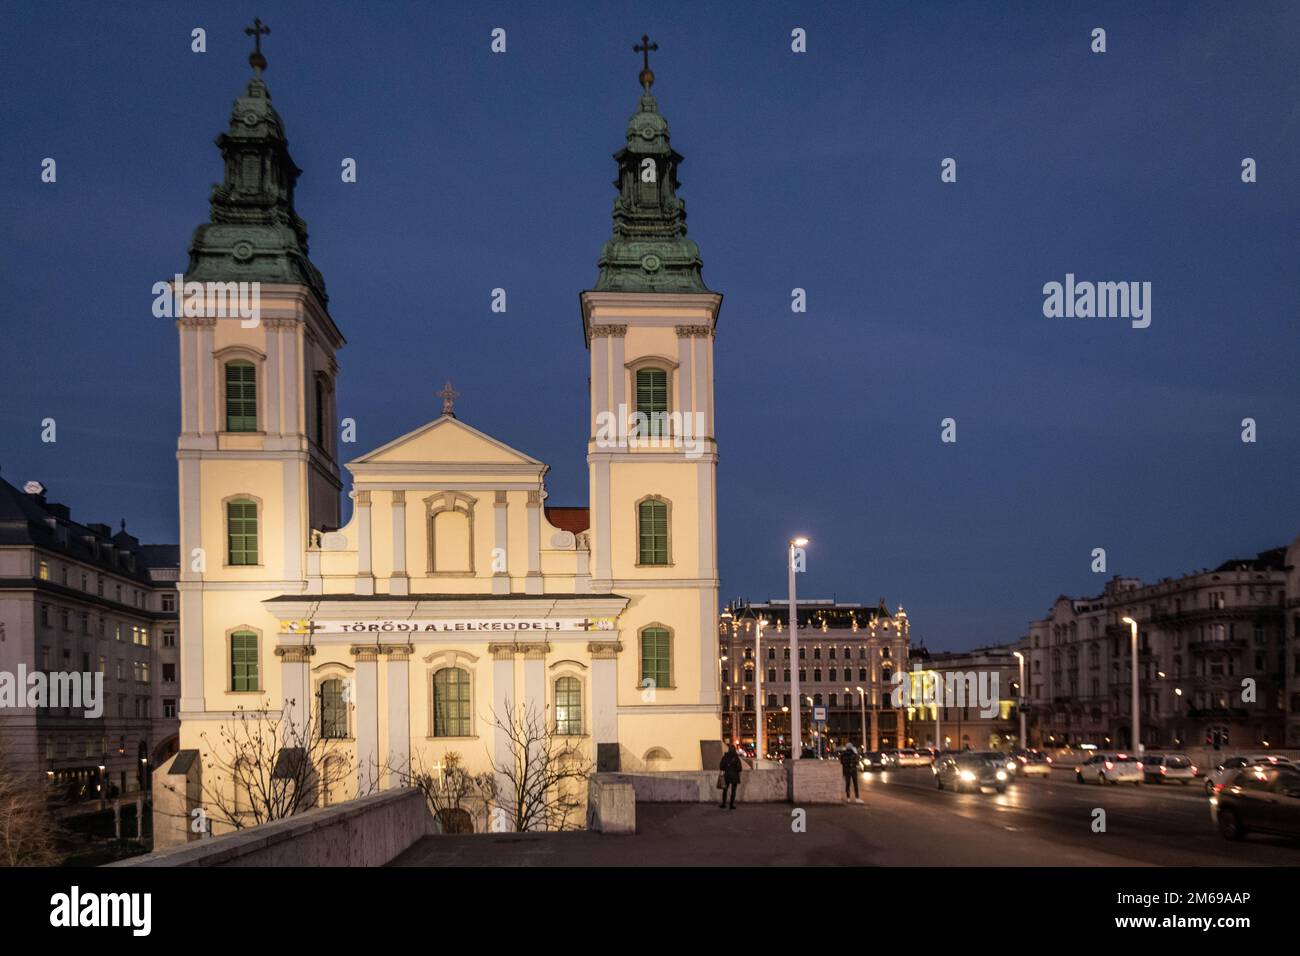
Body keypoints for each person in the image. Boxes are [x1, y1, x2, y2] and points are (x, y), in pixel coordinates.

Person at [719, 743, 743, 810]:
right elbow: (739, 768)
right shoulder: (736, 758)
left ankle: (724, 804)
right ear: (734, 750)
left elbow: (721, 767)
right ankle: (731, 805)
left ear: (728, 750)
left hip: (726, 775)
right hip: (734, 776)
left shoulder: (725, 757)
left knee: (725, 790)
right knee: (733, 791)